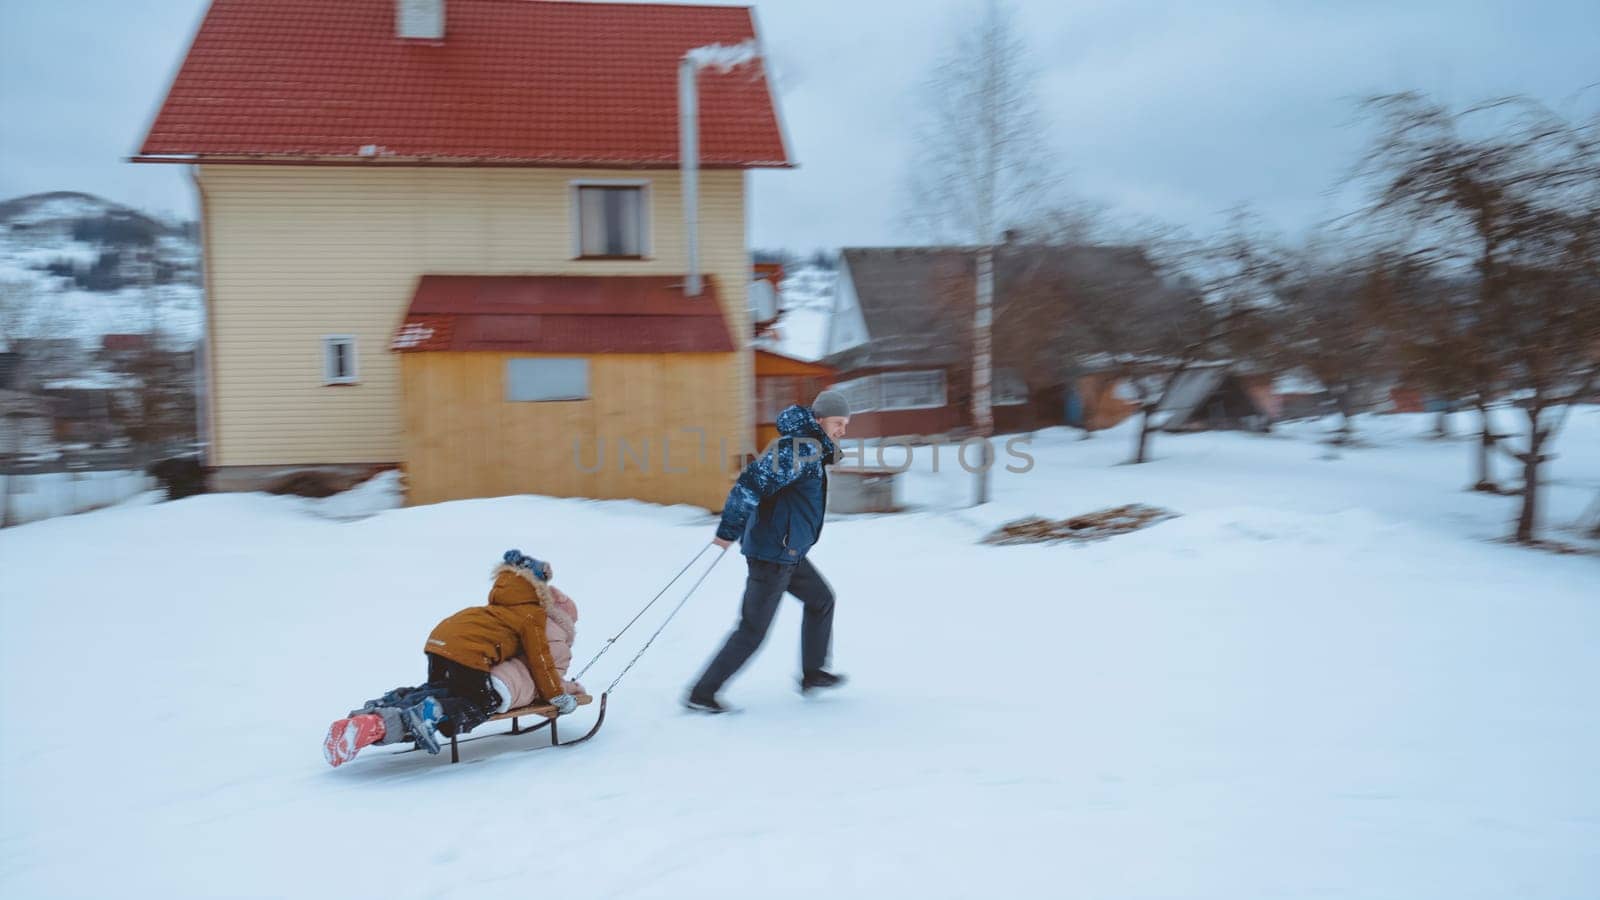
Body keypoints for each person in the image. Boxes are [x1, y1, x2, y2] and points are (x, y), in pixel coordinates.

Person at [322, 550, 584, 766]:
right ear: (537, 588)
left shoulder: (497, 607)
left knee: (442, 689)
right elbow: (540, 659)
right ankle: (433, 711)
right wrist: (556, 696)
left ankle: (376, 713)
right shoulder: (530, 613)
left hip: (439, 642)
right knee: (480, 702)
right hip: (467, 652)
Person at [685, 390, 851, 713]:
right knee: (752, 630)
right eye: (838, 422)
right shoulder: (798, 449)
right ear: (819, 420)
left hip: (789, 554)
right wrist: (727, 531)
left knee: (821, 600)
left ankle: (813, 673)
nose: (842, 429)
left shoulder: (812, 449)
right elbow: (750, 485)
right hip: (772, 557)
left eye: (846, 423)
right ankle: (702, 693)